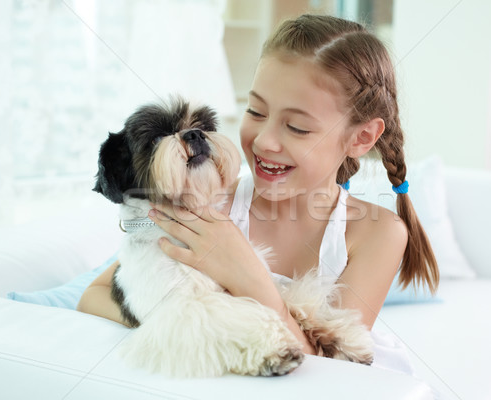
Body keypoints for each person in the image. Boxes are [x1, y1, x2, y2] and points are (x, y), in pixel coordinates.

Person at [77, 14, 439, 372]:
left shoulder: (378, 232)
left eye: (297, 128)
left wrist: (247, 277)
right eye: (255, 111)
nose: (265, 141)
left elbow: (330, 372)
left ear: (360, 138)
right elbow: (95, 295)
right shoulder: (209, 198)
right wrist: (176, 320)